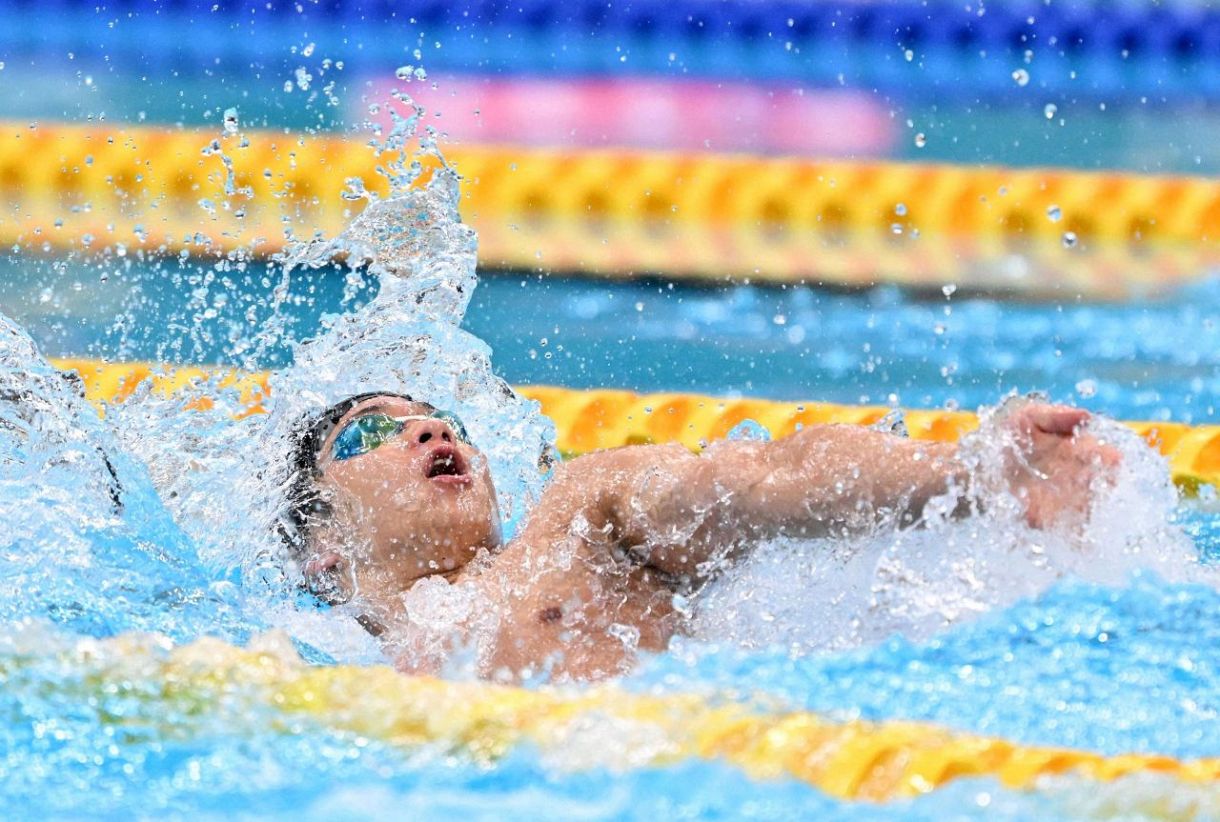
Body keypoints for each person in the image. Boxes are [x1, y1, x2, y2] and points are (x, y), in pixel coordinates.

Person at [281, 392, 1119, 681]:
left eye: (443, 422)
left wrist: (969, 474)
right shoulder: (295, 652)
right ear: (323, 551)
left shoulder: (577, 517)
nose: (430, 435)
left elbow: (754, 481)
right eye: (366, 437)